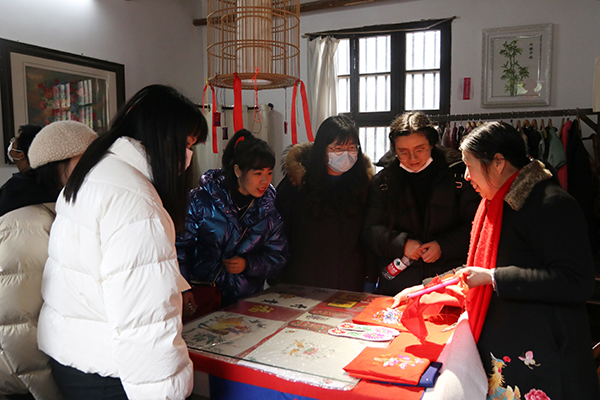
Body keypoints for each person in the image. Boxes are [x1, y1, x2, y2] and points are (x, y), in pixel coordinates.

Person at [394, 121, 600, 399]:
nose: (467, 176)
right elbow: (476, 269)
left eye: (470, 166)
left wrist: (494, 278)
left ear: (499, 163)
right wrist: (425, 289)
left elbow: (576, 281)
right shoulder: (497, 202)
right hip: (508, 347)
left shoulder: (551, 204)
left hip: (544, 354)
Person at [36, 85, 208, 400]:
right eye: (186, 144)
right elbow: (145, 319)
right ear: (161, 136)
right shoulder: (135, 199)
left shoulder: (98, 172)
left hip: (73, 355)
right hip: (109, 369)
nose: (188, 157)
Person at [0, 120, 97, 400]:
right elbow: (16, 322)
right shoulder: (25, 220)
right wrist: (50, 391)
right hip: (26, 379)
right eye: (85, 161)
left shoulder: (57, 205)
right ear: (57, 163)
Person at [362, 111, 479, 295]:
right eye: (403, 152)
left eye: (419, 149)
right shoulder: (384, 181)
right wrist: (401, 244)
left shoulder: (458, 175)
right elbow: (370, 230)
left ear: (431, 144)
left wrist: (443, 246)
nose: (413, 158)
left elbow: (475, 226)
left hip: (447, 283)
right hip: (398, 284)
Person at [177, 129, 287, 309]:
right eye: (258, 173)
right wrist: (183, 288)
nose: (265, 181)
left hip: (246, 302)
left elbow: (278, 257)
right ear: (238, 170)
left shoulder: (269, 210)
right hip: (203, 296)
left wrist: (248, 264)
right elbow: (180, 248)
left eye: (269, 173)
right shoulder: (201, 201)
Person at [275, 115, 374, 291]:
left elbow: (369, 238)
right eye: (338, 148)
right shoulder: (297, 184)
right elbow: (278, 232)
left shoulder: (363, 186)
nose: (346, 154)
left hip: (349, 281)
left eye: (352, 148)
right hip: (302, 280)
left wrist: (369, 278)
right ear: (322, 149)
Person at [0, 125, 52, 216]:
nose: (11, 144)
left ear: (21, 155)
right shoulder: (53, 180)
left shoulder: (14, 188)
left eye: (14, 142)